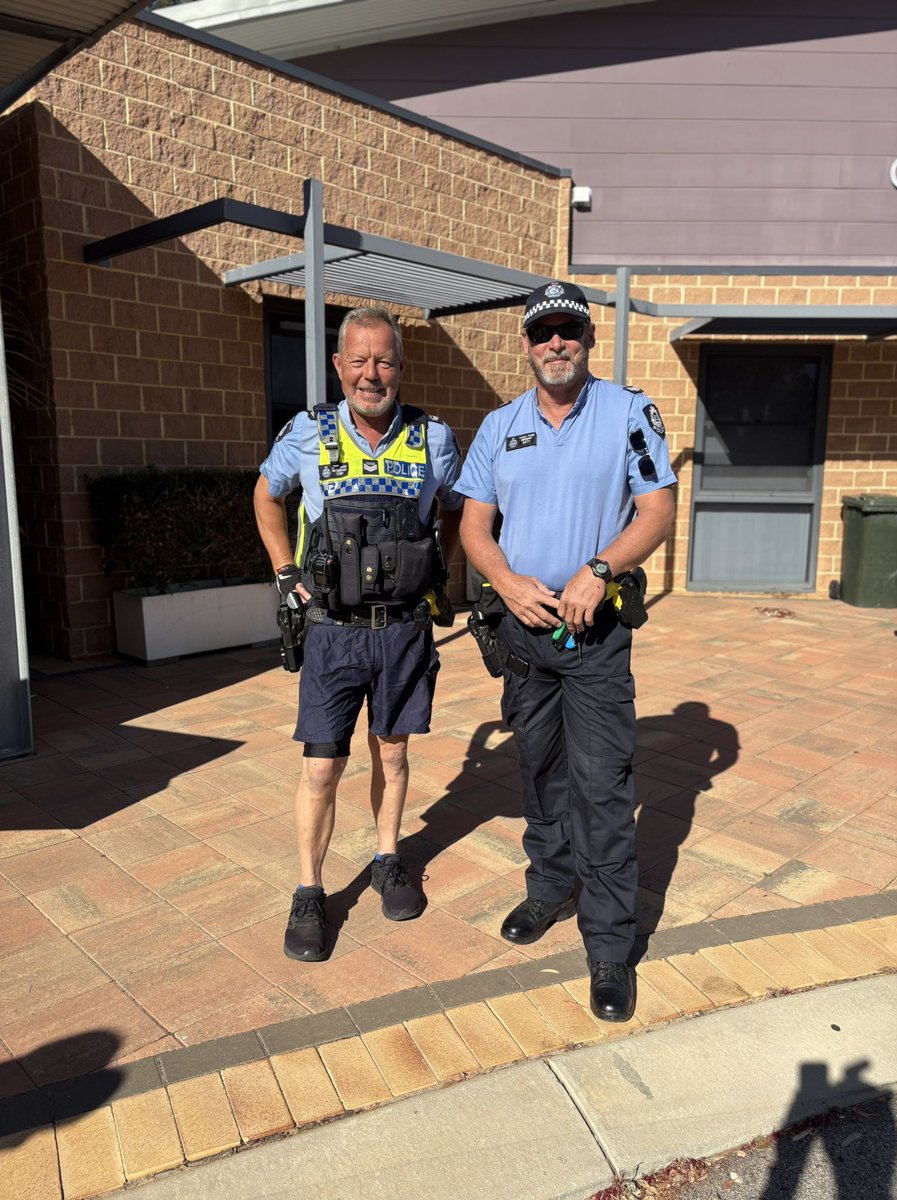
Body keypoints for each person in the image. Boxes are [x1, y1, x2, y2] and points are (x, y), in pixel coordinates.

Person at [456, 281, 676, 1021]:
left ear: (587, 339)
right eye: (544, 331)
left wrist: (601, 569)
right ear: (526, 342)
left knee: (603, 786)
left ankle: (609, 942)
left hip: (594, 635)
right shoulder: (499, 425)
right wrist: (508, 584)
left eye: (569, 331)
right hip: (525, 630)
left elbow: (657, 510)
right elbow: (475, 527)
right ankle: (548, 888)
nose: (557, 342)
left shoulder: (627, 413)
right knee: (539, 770)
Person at [254, 305, 463, 962]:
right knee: (322, 767)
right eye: (360, 360)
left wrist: (439, 569)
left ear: (400, 367)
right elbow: (265, 494)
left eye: (385, 360)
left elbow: (456, 508)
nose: (372, 373)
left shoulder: (433, 438)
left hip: (402, 632)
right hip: (333, 634)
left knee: (393, 757)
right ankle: (310, 891)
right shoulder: (309, 433)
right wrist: (287, 572)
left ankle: (387, 859)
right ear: (340, 366)